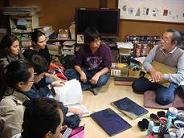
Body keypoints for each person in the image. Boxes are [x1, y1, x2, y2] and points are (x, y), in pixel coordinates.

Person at [132, 29, 184, 105]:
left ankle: (173, 88)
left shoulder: (181, 54)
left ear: (174, 43)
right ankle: (157, 87)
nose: (161, 41)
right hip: (152, 76)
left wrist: (163, 76)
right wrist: (153, 71)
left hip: (168, 81)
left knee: (163, 99)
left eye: (165, 39)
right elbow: (146, 62)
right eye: (162, 38)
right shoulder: (156, 48)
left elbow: (181, 76)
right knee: (136, 86)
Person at [65, 27, 112, 95]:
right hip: (86, 71)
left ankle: (85, 85)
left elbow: (107, 67)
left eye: (99, 40)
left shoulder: (105, 49)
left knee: (102, 80)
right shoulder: (82, 49)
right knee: (67, 72)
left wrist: (97, 75)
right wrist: (81, 73)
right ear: (88, 42)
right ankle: (92, 87)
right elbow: (76, 65)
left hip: (99, 71)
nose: (98, 43)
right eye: (95, 41)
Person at [0, 60, 34, 138]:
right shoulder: (15, 109)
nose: (33, 82)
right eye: (32, 80)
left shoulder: (11, 90)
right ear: (20, 84)